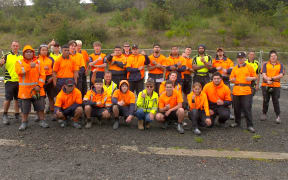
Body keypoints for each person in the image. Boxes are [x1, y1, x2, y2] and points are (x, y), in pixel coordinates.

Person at [15, 45, 48, 130]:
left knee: (40, 107)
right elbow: (19, 72)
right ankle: (24, 122)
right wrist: (29, 66)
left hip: (37, 90)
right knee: (25, 109)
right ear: (24, 53)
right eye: (27, 52)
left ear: (33, 53)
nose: (29, 53)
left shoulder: (39, 62)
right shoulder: (19, 62)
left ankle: (42, 120)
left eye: (30, 52)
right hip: (25, 91)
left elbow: (42, 75)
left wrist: (39, 86)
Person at [230, 52, 257, 133]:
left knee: (247, 108)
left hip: (246, 90)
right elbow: (231, 77)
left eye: (242, 58)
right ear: (237, 59)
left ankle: (250, 125)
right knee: (236, 108)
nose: (240, 59)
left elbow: (255, 77)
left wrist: (251, 78)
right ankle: (237, 122)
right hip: (236, 90)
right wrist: (232, 80)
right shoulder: (235, 68)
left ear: (245, 58)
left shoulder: (249, 67)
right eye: (238, 58)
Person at [0, 41, 22, 125]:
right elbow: (0, 64)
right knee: (8, 99)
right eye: (14, 46)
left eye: (16, 46)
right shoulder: (6, 55)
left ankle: (17, 114)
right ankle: (5, 115)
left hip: (19, 81)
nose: (15, 47)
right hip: (9, 81)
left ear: (18, 47)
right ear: (11, 46)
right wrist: (0, 63)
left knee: (17, 99)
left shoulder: (21, 56)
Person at [260, 50, 284, 124]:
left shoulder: (280, 65)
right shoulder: (265, 64)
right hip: (266, 84)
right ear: (269, 57)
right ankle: (264, 113)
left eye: (274, 56)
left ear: (277, 57)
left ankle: (278, 116)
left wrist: (272, 79)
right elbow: (263, 74)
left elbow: (281, 75)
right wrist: (267, 80)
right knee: (265, 100)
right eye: (272, 56)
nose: (273, 57)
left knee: (275, 101)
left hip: (276, 85)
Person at [37, 44, 55, 114]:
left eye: (46, 50)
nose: (44, 52)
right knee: (40, 97)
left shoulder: (51, 59)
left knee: (51, 97)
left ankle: (52, 112)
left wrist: (52, 78)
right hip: (40, 79)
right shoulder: (36, 59)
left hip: (49, 78)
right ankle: (39, 113)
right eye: (43, 50)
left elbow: (55, 70)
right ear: (39, 51)